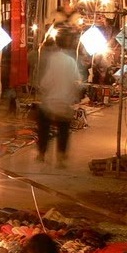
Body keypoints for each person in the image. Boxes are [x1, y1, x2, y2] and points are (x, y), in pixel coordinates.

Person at [35, 33, 83, 167]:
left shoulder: (51, 60)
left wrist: (43, 88)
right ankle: (61, 156)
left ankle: (41, 153)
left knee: (43, 127)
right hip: (65, 103)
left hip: (51, 102)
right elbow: (77, 80)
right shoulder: (71, 61)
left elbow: (46, 82)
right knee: (63, 129)